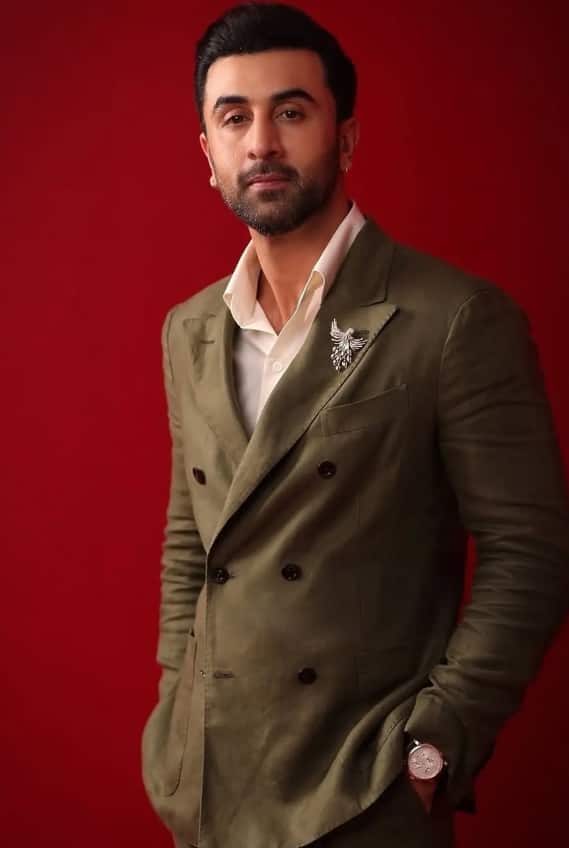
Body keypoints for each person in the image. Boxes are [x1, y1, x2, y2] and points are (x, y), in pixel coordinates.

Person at [141, 4, 569, 847]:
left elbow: (530, 551)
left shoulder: (452, 317)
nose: (261, 142)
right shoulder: (188, 330)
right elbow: (194, 534)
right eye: (234, 117)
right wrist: (174, 709)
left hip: (361, 789)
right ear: (208, 152)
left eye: (290, 111)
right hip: (210, 780)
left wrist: (434, 748)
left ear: (344, 139)